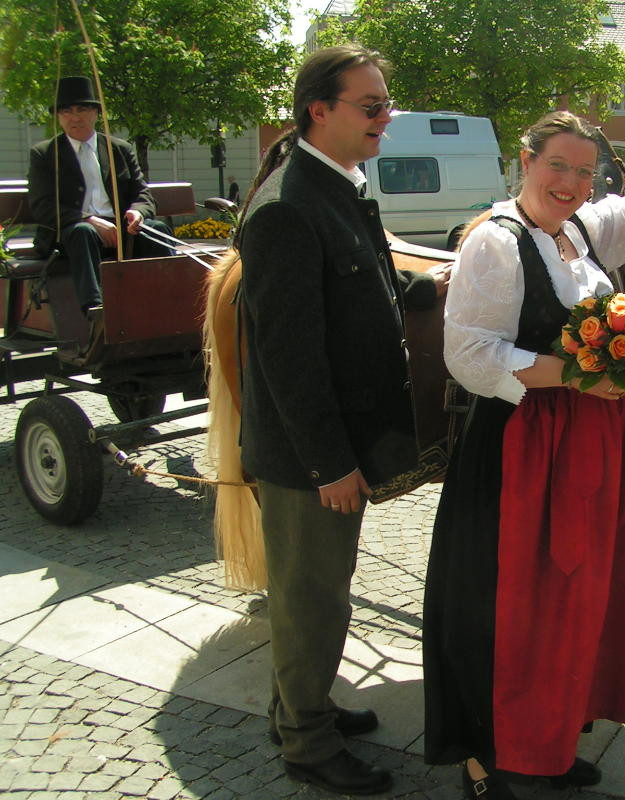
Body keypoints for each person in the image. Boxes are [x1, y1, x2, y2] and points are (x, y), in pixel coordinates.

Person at [422, 111, 625, 798]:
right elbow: (468, 357)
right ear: (526, 159)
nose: (570, 183)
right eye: (556, 166)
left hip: (589, 443)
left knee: (573, 599)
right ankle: (483, 760)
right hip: (521, 449)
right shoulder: (497, 242)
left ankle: (548, 740)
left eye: (583, 171)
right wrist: (574, 373)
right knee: (505, 605)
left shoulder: (577, 231)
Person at [236, 45, 444, 796]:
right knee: (311, 597)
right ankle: (306, 745)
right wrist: (329, 464)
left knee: (320, 587)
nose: (386, 118)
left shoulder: (338, 183)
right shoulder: (289, 206)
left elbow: (360, 278)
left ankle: (302, 705)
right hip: (306, 456)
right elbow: (289, 360)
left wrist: (422, 287)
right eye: (371, 106)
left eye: (386, 103)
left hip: (336, 442)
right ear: (318, 110)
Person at [27, 75, 173, 318]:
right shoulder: (44, 154)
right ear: (59, 117)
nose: (75, 117)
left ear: (96, 112)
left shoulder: (119, 149)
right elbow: (42, 205)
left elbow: (142, 192)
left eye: (82, 109)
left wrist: (138, 212)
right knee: (82, 233)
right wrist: (88, 219)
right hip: (71, 233)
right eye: (66, 111)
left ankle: (171, 301)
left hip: (120, 228)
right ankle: (96, 312)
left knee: (156, 229)